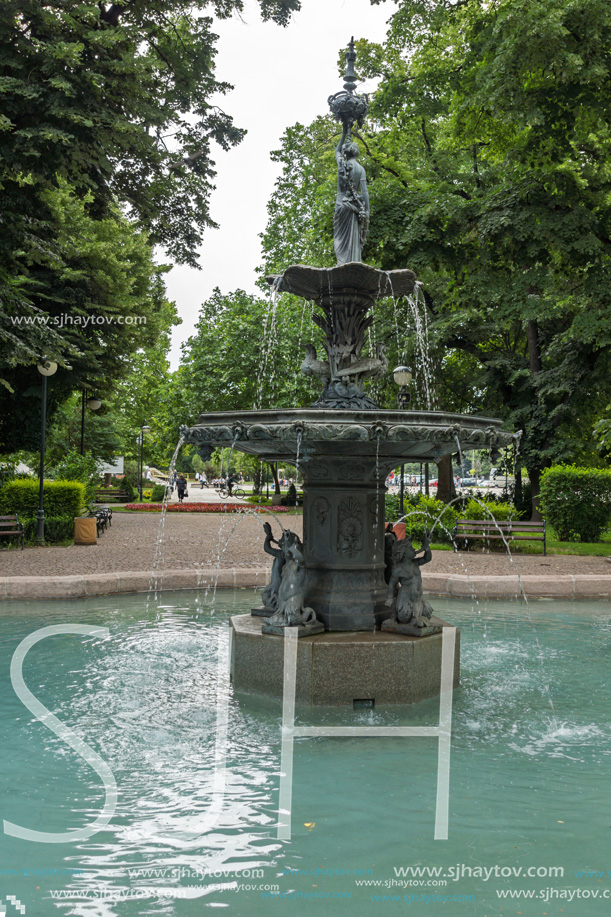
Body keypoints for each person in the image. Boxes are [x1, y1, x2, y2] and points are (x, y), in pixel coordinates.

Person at [333, 122, 369, 264]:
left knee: (340, 241)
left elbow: (336, 152)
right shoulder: (361, 169)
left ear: (345, 152)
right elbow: (365, 193)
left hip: (341, 206)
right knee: (353, 242)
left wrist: (343, 133)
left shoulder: (342, 163)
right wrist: (366, 212)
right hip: (354, 209)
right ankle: (352, 264)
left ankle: (342, 265)